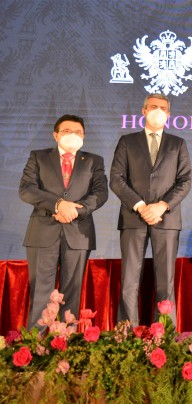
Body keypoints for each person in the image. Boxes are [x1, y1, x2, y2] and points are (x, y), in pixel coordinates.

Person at [19, 114, 108, 329]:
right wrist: (58, 205)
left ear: (84, 136)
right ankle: (38, 349)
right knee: (41, 293)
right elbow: (27, 189)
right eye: (67, 131)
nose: (73, 135)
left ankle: (66, 348)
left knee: (72, 294)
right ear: (56, 135)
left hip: (78, 234)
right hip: (42, 233)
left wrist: (75, 211)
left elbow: (100, 193)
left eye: (78, 132)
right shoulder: (38, 157)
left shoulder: (94, 160)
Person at [110, 93, 192, 326]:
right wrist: (140, 205)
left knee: (165, 282)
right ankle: (127, 335)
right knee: (129, 281)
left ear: (169, 114)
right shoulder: (127, 141)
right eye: (153, 106)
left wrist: (162, 206)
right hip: (133, 218)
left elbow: (184, 181)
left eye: (163, 108)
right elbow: (116, 179)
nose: (158, 111)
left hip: (166, 219)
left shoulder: (178, 144)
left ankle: (163, 335)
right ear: (144, 111)